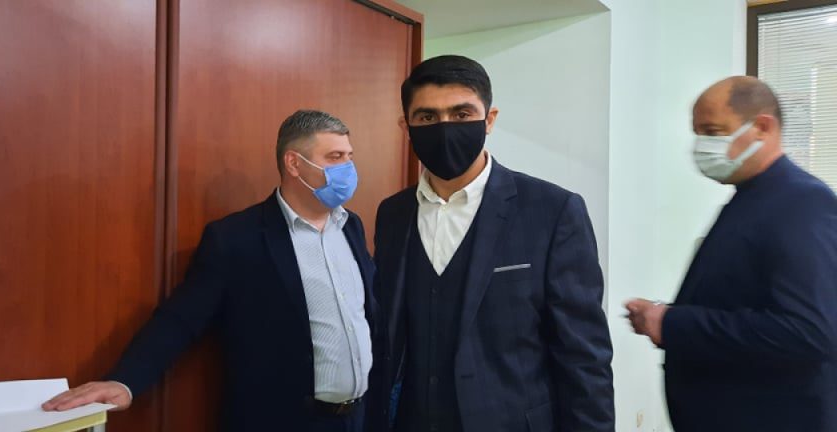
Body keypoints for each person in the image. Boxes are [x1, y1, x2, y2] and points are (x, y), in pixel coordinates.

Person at [43, 110, 379, 432]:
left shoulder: (350, 226)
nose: (348, 168)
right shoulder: (236, 238)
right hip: (284, 420)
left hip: (358, 417)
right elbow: (182, 318)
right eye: (335, 157)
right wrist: (125, 381)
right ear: (294, 163)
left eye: (349, 156)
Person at [368, 55, 614, 432]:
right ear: (407, 126)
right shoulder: (392, 214)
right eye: (428, 117)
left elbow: (583, 355)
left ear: (489, 119)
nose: (445, 127)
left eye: (461, 114)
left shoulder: (552, 210)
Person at [627, 76, 837, 431]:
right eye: (698, 133)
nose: (702, 146)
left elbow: (807, 331)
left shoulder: (803, 202)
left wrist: (671, 324)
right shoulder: (753, 197)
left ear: (762, 128)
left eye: (713, 132)